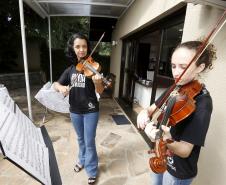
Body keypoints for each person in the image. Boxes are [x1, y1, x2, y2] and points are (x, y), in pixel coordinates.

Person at [137, 41, 216, 185]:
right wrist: (143, 113)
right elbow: (151, 108)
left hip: (178, 170)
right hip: (160, 154)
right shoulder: (175, 88)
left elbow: (185, 150)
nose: (176, 72)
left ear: (200, 67)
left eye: (183, 67)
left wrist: (161, 137)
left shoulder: (203, 102)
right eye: (173, 66)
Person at [54, 33, 104, 185]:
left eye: (84, 46)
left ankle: (92, 169)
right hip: (75, 110)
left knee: (89, 141)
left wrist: (97, 82)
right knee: (81, 139)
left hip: (90, 110)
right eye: (77, 46)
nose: (81, 50)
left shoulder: (93, 67)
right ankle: (82, 160)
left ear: (88, 48)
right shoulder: (70, 70)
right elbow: (56, 84)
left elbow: (100, 91)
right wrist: (61, 87)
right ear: (73, 49)